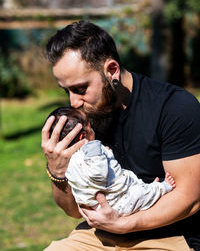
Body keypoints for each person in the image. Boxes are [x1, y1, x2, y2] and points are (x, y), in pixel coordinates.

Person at [41, 20, 200, 251]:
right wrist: (57, 170)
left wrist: (125, 224)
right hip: (99, 236)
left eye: (80, 88)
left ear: (112, 70)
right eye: (66, 91)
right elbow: (74, 210)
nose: (73, 102)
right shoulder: (85, 120)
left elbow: (190, 198)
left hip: (170, 237)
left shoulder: (174, 107)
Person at [45, 106, 176, 216]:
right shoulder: (92, 149)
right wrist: (97, 151)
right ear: (83, 135)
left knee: (138, 189)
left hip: (101, 207)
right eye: (90, 125)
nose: (74, 101)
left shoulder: (70, 161)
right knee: (141, 194)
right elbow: (99, 173)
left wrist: (105, 154)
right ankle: (162, 187)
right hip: (119, 202)